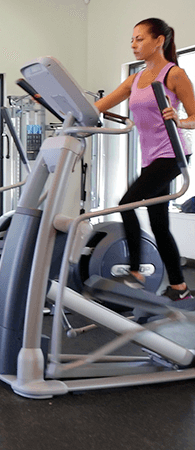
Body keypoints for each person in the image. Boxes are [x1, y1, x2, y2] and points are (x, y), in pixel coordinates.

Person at [95, 18, 195, 301]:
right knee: (159, 225)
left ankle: (136, 270)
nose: (133, 44)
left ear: (158, 41)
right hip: (151, 157)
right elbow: (98, 106)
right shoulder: (135, 78)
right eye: (132, 39)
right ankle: (180, 287)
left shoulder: (174, 74)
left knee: (127, 203)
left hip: (172, 153)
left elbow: (194, 116)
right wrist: (60, 104)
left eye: (140, 39)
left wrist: (180, 120)